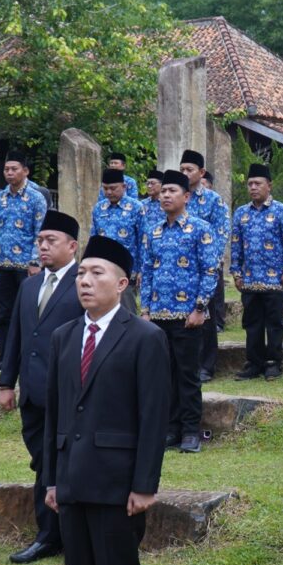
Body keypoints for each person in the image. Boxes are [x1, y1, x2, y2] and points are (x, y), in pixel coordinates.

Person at [43, 235, 169, 565]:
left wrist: (144, 485)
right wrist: (53, 480)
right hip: (73, 480)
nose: (85, 281)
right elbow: (55, 415)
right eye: (81, 273)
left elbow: (153, 417)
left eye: (97, 273)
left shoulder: (144, 337)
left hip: (118, 483)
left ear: (122, 283)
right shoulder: (64, 336)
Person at [0, 210, 86, 565]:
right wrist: (7, 383)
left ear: (72, 246)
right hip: (33, 392)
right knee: (42, 461)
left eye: (51, 240)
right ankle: (48, 534)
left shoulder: (84, 283)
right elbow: (17, 337)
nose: (43, 246)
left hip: (69, 393)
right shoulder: (30, 285)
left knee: (66, 462)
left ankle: (67, 535)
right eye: (40, 240)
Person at [139, 170, 215, 453]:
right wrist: (145, 311)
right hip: (157, 316)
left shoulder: (200, 229)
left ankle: (191, 431)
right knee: (163, 375)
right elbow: (147, 272)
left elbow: (210, 271)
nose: (166, 195)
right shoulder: (153, 231)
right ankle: (170, 429)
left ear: (186, 196)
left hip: (187, 318)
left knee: (187, 375)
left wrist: (199, 308)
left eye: (172, 191)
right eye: (163, 191)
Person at [230, 163, 283, 380]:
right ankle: (254, 363)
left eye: (257, 183)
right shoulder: (241, 213)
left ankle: (273, 363)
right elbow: (236, 245)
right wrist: (236, 273)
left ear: (269, 185)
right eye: (250, 184)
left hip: (275, 279)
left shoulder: (282, 211)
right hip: (249, 279)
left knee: (274, 322)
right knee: (252, 323)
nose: (253, 187)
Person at [0, 149, 48, 369]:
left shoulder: (36, 197)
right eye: (6, 169)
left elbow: (40, 232)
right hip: (3, 264)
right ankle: (5, 358)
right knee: (2, 313)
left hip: (26, 265)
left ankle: (27, 357)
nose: (9, 173)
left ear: (25, 171)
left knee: (28, 312)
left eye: (14, 169)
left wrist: (35, 262)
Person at [179, 149, 228, 383]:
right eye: (182, 169)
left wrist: (212, 264)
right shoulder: (178, 197)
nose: (185, 173)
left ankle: (207, 365)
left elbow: (221, 233)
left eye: (189, 169)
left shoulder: (213, 200)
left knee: (206, 318)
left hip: (205, 267)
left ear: (201, 172)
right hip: (180, 269)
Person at [90, 168, 145, 313]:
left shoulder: (136, 208)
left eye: (113, 188)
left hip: (127, 271)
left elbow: (143, 241)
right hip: (102, 269)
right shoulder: (99, 209)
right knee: (102, 311)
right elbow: (94, 238)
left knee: (126, 312)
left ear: (124, 187)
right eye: (105, 188)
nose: (109, 192)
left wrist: (141, 270)